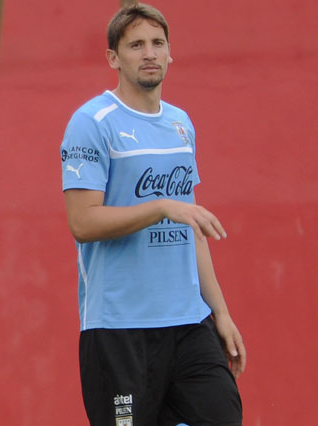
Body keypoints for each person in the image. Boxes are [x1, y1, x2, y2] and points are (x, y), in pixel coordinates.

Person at [60, 4, 245, 425]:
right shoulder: (91, 123)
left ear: (169, 53)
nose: (149, 53)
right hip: (120, 329)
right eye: (136, 45)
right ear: (113, 58)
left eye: (158, 43)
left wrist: (221, 312)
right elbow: (83, 223)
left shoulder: (181, 124)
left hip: (189, 322)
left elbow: (192, 226)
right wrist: (162, 206)